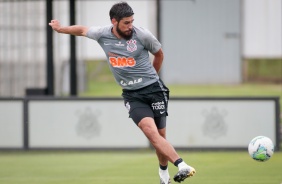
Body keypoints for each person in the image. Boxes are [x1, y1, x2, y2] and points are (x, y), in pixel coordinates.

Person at [49, 1, 196, 183]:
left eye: (131, 21)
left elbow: (159, 54)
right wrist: (60, 28)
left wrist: (152, 78)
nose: (130, 26)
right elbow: (81, 30)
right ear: (114, 21)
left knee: (160, 137)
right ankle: (182, 165)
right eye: (126, 23)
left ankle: (163, 174)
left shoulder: (142, 35)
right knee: (151, 132)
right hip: (132, 95)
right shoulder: (102, 34)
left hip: (154, 90)